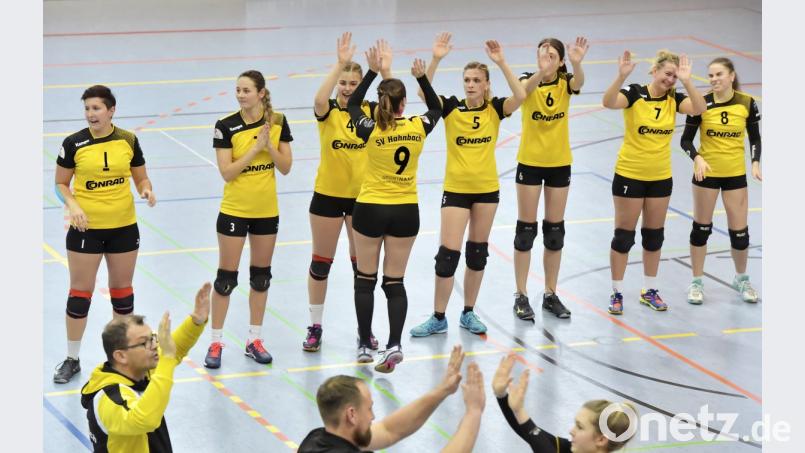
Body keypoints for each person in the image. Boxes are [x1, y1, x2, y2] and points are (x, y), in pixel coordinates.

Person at [410, 33, 526, 337]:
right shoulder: (451, 108)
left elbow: (521, 96)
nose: (471, 84)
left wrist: (500, 63)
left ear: (486, 84)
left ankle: (468, 313)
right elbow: (426, 96)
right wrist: (434, 60)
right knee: (447, 255)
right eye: (467, 80)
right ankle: (438, 317)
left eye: (476, 80)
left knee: (477, 253)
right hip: (457, 190)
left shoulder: (496, 109)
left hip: (487, 191)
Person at [347, 43, 442, 372]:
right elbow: (436, 108)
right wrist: (423, 79)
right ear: (403, 104)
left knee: (365, 278)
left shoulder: (370, 130)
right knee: (394, 282)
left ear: (382, 105)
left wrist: (372, 70)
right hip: (405, 211)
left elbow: (353, 104)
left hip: (371, 208)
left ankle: (363, 344)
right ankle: (394, 344)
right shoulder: (418, 127)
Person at [53, 85, 157, 384]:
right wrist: (72, 204)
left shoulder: (128, 140)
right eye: (87, 108)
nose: (90, 114)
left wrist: (146, 189)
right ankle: (72, 359)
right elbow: (60, 184)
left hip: (123, 227)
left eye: (96, 108)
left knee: (122, 295)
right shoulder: (74, 143)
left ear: (111, 110)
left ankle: (121, 361)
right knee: (79, 296)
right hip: (86, 230)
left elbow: (141, 176)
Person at [304, 32, 392, 353]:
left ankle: (364, 331)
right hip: (327, 196)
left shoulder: (368, 111)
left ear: (360, 86)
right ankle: (315, 326)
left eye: (352, 84)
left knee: (362, 269)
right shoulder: (327, 111)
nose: (346, 88)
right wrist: (339, 64)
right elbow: (317, 99)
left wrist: (383, 72)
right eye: (343, 83)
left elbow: (394, 102)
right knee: (320, 265)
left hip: (362, 199)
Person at [601, 50, 706, 315]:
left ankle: (650, 290)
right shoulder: (635, 93)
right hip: (630, 175)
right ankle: (616, 292)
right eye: (667, 74)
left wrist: (687, 81)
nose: (670, 80)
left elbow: (700, 109)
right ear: (655, 71)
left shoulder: (675, 99)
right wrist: (621, 76)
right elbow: (609, 101)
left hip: (660, 178)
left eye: (674, 76)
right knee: (624, 237)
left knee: (654, 236)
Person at [204, 69, 293, 368]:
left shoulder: (277, 122)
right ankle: (215, 342)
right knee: (225, 280)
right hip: (235, 211)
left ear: (261, 93)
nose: (240, 94)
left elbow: (286, 167)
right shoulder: (226, 125)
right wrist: (255, 148)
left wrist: (269, 146)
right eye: (238, 90)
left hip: (266, 211)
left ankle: (254, 339)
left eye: (246, 90)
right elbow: (227, 172)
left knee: (261, 277)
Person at [511, 37, 589, 321]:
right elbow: (521, 92)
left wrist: (577, 63)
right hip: (530, 163)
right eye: (542, 54)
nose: (546, 59)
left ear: (561, 61)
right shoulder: (527, 80)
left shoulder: (566, 81)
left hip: (559, 164)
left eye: (552, 55)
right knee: (525, 233)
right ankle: (520, 295)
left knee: (554, 234)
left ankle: (550, 294)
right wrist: (540, 73)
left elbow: (578, 82)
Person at [80, 282, 210, 453]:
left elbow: (172, 350)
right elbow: (144, 419)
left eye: (153, 338)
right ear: (121, 356)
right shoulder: (109, 398)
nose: (154, 345)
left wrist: (196, 321)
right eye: (144, 342)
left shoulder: (137, 371)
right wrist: (168, 359)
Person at [680, 57, 761, 304]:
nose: (714, 79)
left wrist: (755, 162)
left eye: (719, 75)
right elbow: (685, 141)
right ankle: (696, 282)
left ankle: (742, 278)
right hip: (707, 175)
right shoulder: (701, 104)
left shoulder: (747, 103)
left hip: (735, 174)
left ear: (731, 76)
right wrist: (697, 158)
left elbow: (755, 138)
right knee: (701, 229)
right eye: (711, 75)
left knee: (740, 234)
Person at [298, 345, 485, 452]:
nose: (373, 417)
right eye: (369, 408)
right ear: (352, 414)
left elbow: (390, 430)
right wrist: (473, 412)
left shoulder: (315, 440)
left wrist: (442, 390)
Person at [492, 353, 638, 452]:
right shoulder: (575, 449)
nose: (571, 431)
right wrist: (502, 396)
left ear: (600, 439)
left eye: (580, 427)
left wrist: (520, 411)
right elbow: (531, 435)